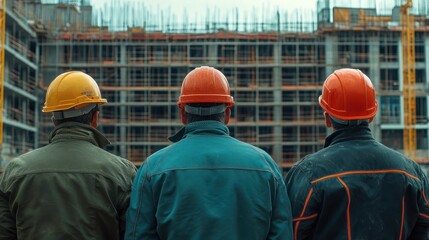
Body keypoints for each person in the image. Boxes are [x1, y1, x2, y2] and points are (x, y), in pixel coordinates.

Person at [125, 66, 293, 239]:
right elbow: (282, 234)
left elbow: (138, 235)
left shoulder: (153, 168)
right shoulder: (264, 165)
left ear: (183, 113)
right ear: (227, 113)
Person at [285, 68, 429, 239]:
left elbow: (291, 231)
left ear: (327, 118)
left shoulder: (309, 173)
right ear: (372, 116)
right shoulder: (411, 172)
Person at [0, 71, 136, 240]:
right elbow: (134, 233)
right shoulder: (121, 172)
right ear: (95, 118)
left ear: (53, 120)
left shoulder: (15, 171)